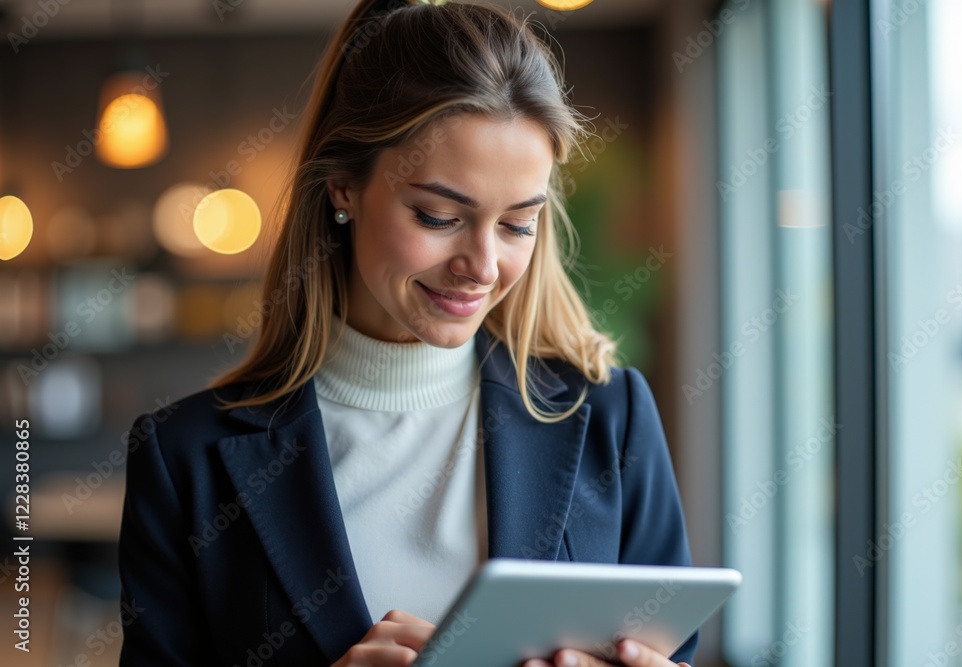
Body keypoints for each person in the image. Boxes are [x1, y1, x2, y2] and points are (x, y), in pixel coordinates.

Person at [117, 1, 697, 665]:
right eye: (439, 216)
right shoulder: (183, 459)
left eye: (517, 225)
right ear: (343, 187)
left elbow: (668, 649)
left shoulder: (611, 417)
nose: (483, 267)